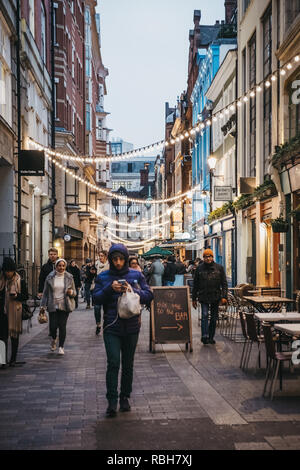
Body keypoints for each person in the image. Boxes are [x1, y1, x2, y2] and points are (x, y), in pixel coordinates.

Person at [93, 243, 153, 418]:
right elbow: (96, 299)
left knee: (128, 364)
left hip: (132, 326)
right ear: (111, 260)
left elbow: (149, 295)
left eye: (121, 259)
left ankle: (124, 396)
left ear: (126, 259)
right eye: (115, 259)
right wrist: (108, 288)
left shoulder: (136, 274)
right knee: (113, 362)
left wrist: (132, 290)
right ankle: (112, 400)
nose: (118, 262)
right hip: (112, 326)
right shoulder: (103, 277)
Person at [192, 248, 228, 345]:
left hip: (215, 296)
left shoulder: (219, 268)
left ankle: (211, 336)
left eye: (210, 256)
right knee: (204, 315)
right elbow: (195, 284)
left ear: (212, 257)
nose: (208, 258)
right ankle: (204, 335)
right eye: (206, 257)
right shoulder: (199, 268)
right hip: (203, 296)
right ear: (203, 258)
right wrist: (193, 299)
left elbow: (224, 283)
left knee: (213, 317)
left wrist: (224, 296)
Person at [40, 258, 76, 355]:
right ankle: (53, 338)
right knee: (53, 326)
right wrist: (42, 306)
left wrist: (71, 292)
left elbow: (74, 292)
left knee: (62, 326)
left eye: (63, 266)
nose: (61, 267)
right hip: (53, 305)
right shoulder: (50, 277)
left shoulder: (69, 277)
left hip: (65, 305)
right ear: (56, 266)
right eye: (59, 266)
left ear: (65, 266)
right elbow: (45, 293)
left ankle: (61, 347)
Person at [0, 257, 28, 367]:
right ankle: (2, 360)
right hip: (2, 312)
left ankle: (13, 360)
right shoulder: (1, 281)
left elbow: (25, 296)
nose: (8, 273)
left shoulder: (20, 281)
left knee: (14, 336)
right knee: (2, 338)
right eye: (6, 271)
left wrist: (17, 296)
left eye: (10, 271)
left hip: (15, 312)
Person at [94, 251, 109, 335]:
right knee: (96, 308)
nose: (100, 257)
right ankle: (98, 324)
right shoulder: (96, 265)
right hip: (98, 289)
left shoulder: (109, 266)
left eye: (102, 256)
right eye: (99, 256)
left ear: (106, 257)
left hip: (106, 289)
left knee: (106, 309)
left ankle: (106, 324)